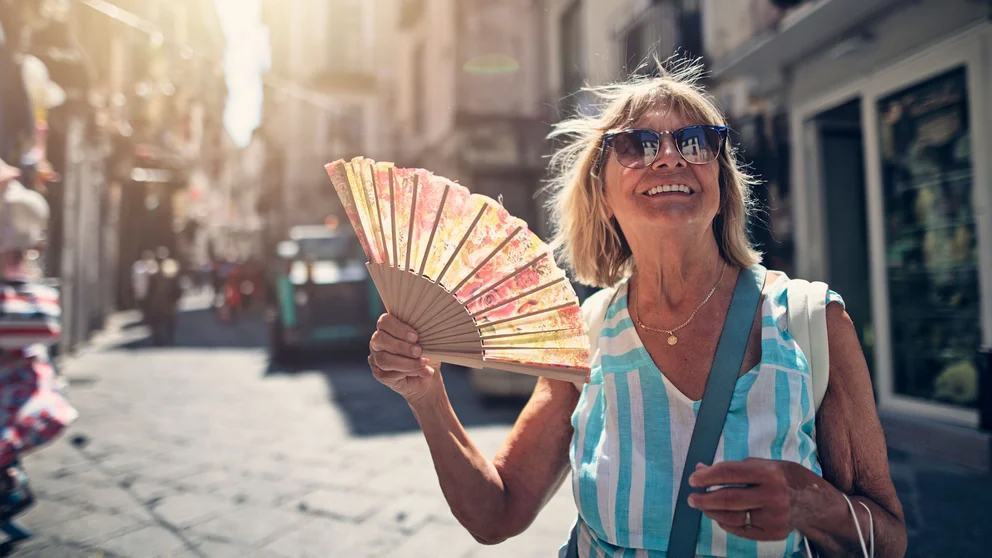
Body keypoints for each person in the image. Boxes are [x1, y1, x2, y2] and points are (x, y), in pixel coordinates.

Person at [366, 61, 907, 557]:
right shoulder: (586, 335)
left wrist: (813, 503)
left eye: (695, 141)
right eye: (637, 144)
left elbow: (888, 538)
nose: (669, 156)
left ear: (720, 181)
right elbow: (496, 514)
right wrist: (427, 397)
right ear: (601, 193)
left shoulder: (810, 321)